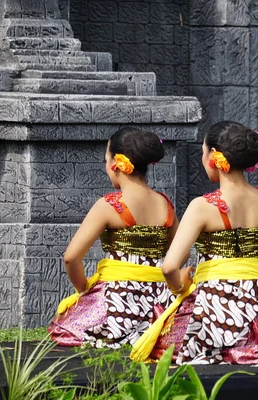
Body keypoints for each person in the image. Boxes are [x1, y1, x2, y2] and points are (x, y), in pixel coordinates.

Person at [130, 121, 258, 365]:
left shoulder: (202, 206)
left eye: (203, 153)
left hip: (216, 311)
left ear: (213, 157)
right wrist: (252, 277)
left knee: (160, 338)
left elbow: (170, 267)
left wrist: (179, 289)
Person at [48, 127, 179, 348]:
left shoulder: (109, 205)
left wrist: (84, 292)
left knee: (67, 330)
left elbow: (71, 257)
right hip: (160, 302)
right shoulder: (165, 204)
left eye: (105, 159)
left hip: (118, 300)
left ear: (115, 164)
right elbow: (177, 253)